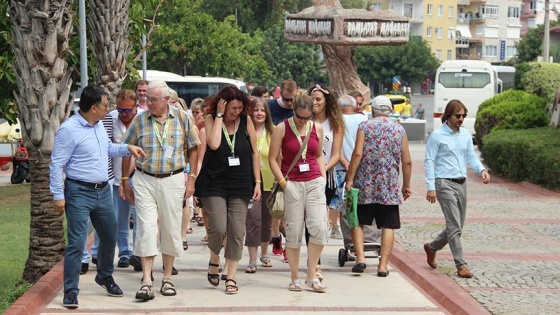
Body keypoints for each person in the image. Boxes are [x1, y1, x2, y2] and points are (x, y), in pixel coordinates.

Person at [49, 85, 145, 309]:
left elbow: (107, 149)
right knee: (76, 243)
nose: (108, 109)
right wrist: (57, 196)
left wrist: (127, 148)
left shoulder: (99, 125)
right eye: (105, 105)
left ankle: (104, 275)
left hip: (102, 191)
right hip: (78, 192)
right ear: (93, 108)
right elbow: (56, 164)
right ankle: (71, 290)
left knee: (110, 237)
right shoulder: (69, 130)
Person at [121, 80, 200, 301]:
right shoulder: (139, 120)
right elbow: (126, 149)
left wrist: (191, 179)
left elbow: (194, 148)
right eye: (146, 99)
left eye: (153, 99)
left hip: (173, 179)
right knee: (146, 228)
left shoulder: (183, 118)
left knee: (170, 228)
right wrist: (125, 180)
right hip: (144, 179)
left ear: (166, 100)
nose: (148, 103)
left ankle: (167, 278)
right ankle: (147, 280)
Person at [195, 86, 261, 295]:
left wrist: (257, 181)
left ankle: (230, 275)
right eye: (233, 108)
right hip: (214, 181)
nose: (237, 112)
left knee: (237, 230)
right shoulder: (211, 118)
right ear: (223, 104)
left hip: (241, 182)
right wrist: (220, 117)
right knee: (219, 227)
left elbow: (255, 153)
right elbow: (213, 144)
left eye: (240, 108)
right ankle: (215, 257)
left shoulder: (246, 121)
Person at [345, 95, 412, 277]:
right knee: (387, 226)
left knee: (358, 222)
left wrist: (350, 179)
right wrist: (406, 186)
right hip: (388, 187)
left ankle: (360, 259)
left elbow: (357, 154)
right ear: (390, 111)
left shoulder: (364, 127)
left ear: (372, 110)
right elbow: (407, 162)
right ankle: (383, 266)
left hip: (365, 184)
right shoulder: (399, 130)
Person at [423, 99, 490, 279]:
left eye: (463, 116)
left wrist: (482, 170)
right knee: (453, 226)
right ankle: (461, 265)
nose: (461, 119)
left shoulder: (465, 134)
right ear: (448, 115)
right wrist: (431, 187)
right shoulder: (437, 135)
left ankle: (432, 247)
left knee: (458, 226)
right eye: (458, 115)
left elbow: (471, 155)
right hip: (444, 183)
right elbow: (429, 161)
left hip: (462, 183)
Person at [268, 94, 328, 292]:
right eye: (300, 117)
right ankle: (294, 276)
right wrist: (284, 183)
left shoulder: (316, 128)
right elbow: (273, 159)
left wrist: (323, 177)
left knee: (319, 227)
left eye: (307, 117)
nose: (303, 121)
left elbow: (318, 155)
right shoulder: (282, 128)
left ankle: (312, 274)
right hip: (292, 182)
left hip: (314, 181)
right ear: (293, 111)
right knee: (294, 231)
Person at [332, 95, 379, 247]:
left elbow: (334, 149)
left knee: (347, 208)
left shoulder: (335, 122)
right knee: (367, 204)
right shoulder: (364, 121)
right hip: (364, 169)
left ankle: (350, 243)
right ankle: (370, 240)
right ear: (353, 106)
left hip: (342, 169)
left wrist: (345, 162)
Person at [111, 89, 144, 270]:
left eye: (127, 111)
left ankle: (139, 254)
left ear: (136, 107)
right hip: (118, 177)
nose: (123, 114)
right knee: (120, 218)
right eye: (120, 110)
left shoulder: (143, 120)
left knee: (141, 217)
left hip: (140, 177)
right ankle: (124, 253)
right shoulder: (110, 119)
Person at [244, 96, 275, 273]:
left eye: (262, 110)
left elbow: (279, 157)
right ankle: (252, 259)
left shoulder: (274, 132)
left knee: (267, 220)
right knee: (253, 218)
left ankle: (265, 253)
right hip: (250, 181)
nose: (259, 113)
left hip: (270, 181)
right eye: (256, 110)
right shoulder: (245, 131)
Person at [309, 84, 344, 240]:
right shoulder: (305, 120)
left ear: (326, 101)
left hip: (326, 175)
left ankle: (317, 254)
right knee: (309, 217)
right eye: (312, 99)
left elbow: (336, 154)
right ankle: (313, 258)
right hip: (306, 173)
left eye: (318, 99)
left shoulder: (335, 123)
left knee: (321, 217)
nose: (315, 102)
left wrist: (324, 167)